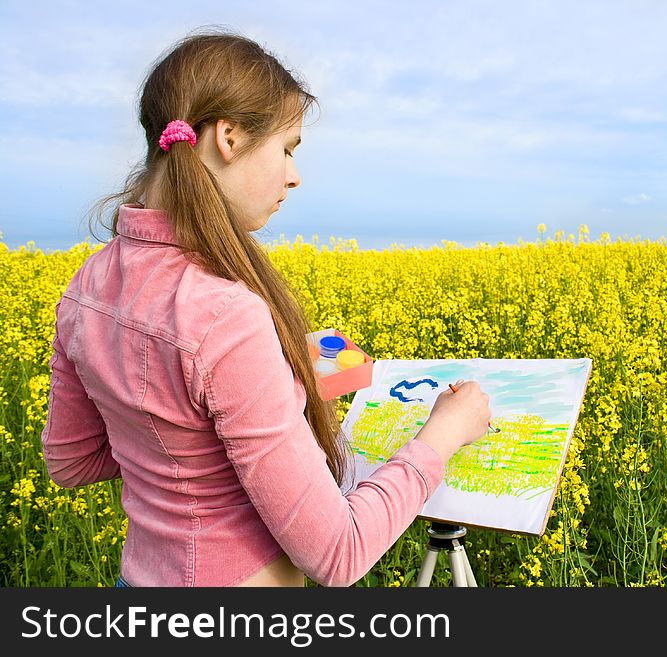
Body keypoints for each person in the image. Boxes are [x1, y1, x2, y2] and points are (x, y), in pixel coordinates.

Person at [39, 28, 491, 587]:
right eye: (288, 148)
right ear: (228, 137)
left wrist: (258, 387)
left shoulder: (87, 285)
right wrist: (443, 434)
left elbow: (72, 460)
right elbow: (338, 555)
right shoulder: (224, 315)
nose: (294, 175)